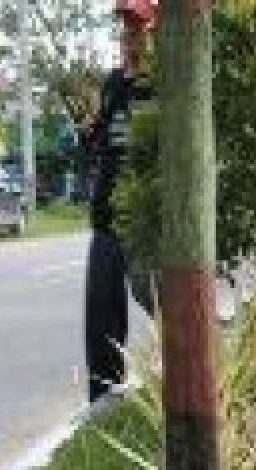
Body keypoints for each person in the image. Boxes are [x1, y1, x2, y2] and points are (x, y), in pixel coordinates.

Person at [84, 0, 157, 402]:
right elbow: (99, 146)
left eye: (139, 28)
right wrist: (90, 130)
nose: (132, 36)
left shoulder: (163, 85)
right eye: (127, 28)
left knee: (163, 305)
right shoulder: (111, 85)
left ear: (153, 34)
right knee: (101, 320)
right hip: (108, 219)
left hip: (145, 222)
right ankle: (103, 401)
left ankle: (185, 382)